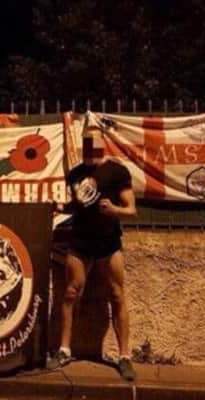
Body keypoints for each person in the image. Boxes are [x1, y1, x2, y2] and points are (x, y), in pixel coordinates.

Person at [47, 136, 138, 381]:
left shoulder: (117, 171)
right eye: (87, 144)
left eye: (95, 144)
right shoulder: (76, 173)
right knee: (70, 293)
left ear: (104, 144)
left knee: (117, 294)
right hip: (80, 242)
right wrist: (60, 207)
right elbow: (77, 205)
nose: (91, 149)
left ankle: (125, 356)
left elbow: (131, 209)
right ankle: (64, 350)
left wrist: (115, 210)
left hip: (108, 243)